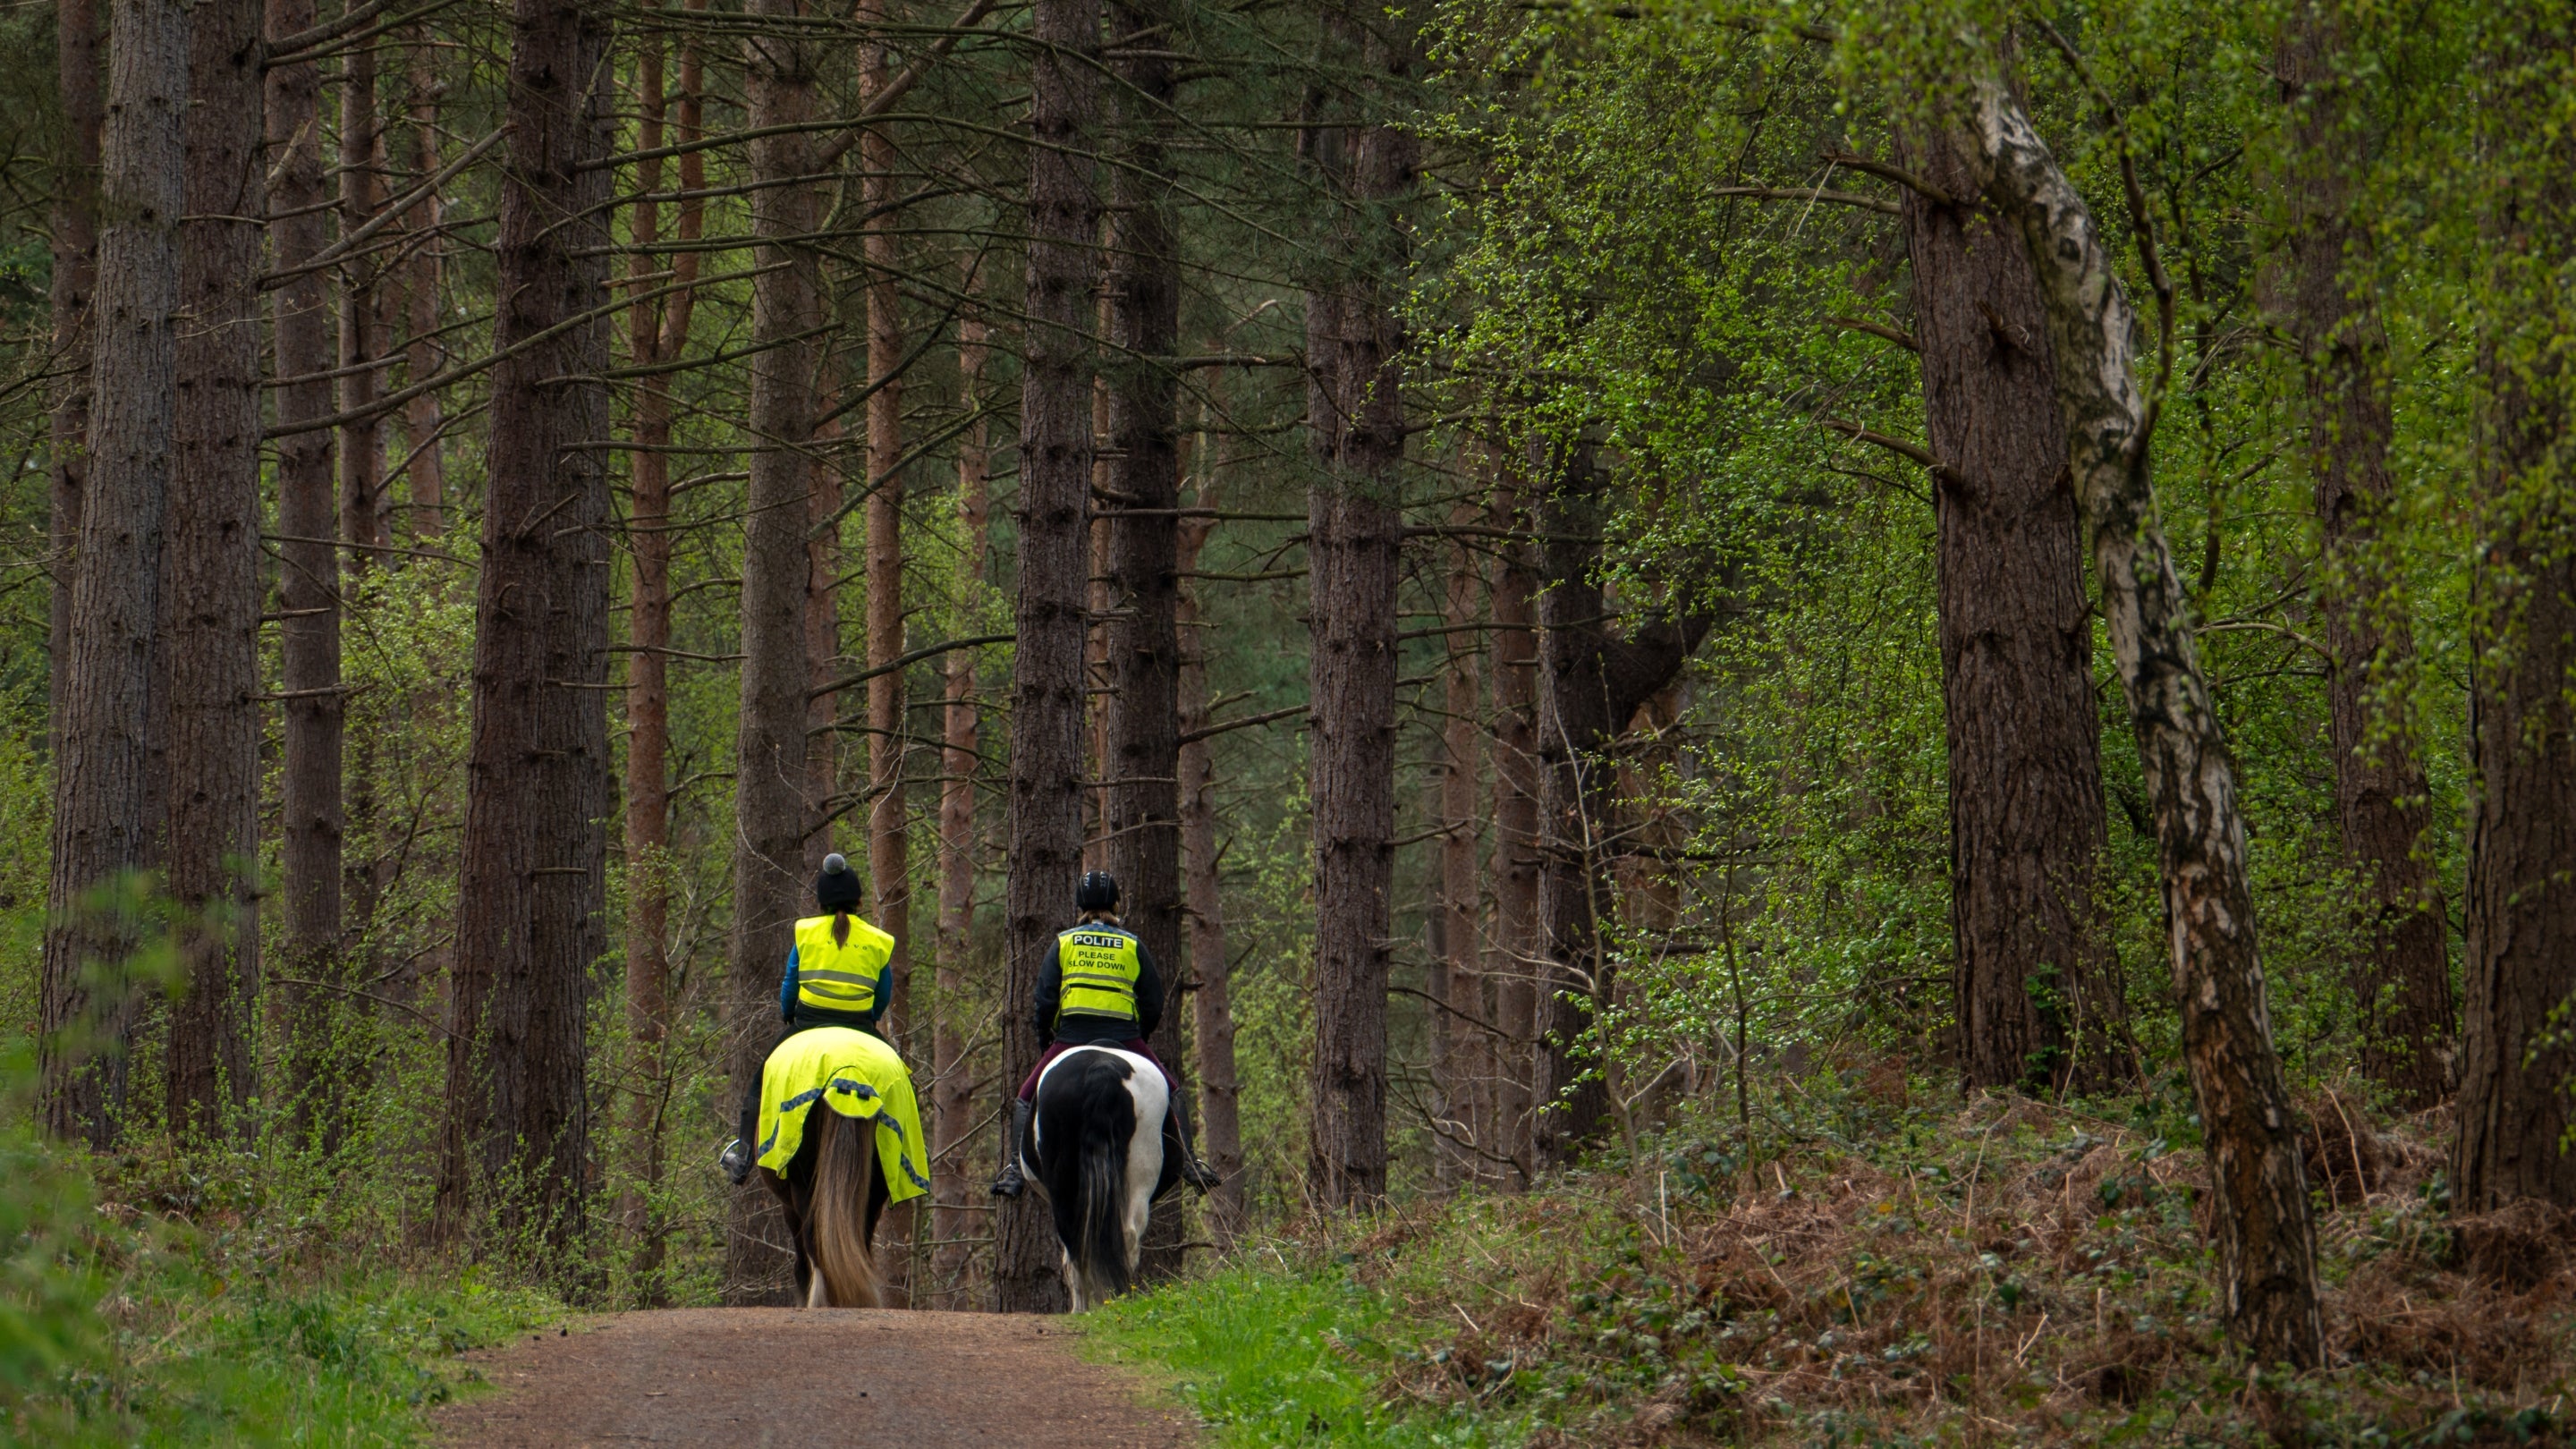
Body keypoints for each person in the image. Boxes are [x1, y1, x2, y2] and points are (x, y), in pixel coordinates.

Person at [989, 870, 1220, 1199]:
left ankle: (1013, 1169)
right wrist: (1140, 1035)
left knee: (1025, 1098)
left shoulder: (1064, 942)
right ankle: (1190, 1164)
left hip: (1071, 1037)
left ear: (1079, 905)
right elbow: (1153, 1002)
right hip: (1125, 1038)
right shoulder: (1131, 944)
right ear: (1116, 903)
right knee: (1173, 1092)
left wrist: (1047, 1041)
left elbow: (1044, 1002)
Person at [719, 852, 896, 1185]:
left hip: (808, 1024)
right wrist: (870, 1019)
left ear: (821, 902)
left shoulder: (806, 933)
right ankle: (908, 1158)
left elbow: (790, 984)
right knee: (900, 1080)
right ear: (859, 901)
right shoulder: (879, 941)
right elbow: (883, 994)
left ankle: (742, 1153)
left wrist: (788, 1014)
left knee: (761, 1079)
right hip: (861, 1027)